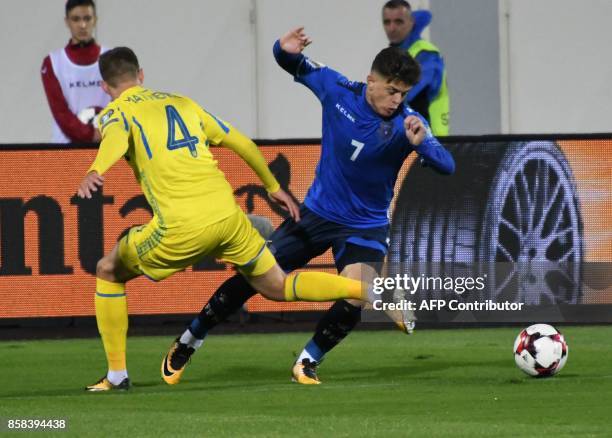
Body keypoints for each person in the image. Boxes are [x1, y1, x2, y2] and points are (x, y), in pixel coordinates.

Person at [79, 46, 388, 392]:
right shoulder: (184, 103)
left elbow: (115, 140)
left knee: (108, 269)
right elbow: (241, 142)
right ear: (142, 75)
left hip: (180, 228)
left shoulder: (115, 112)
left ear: (105, 87)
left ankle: (117, 376)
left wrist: (95, 169)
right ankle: (367, 290)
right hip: (229, 218)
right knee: (277, 286)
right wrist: (273, 186)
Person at [162, 27, 455, 386]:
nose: (396, 100)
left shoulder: (409, 123)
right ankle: (189, 340)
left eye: (403, 93)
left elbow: (447, 165)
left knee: (357, 294)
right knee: (255, 276)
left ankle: (307, 360)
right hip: (317, 214)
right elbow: (291, 61)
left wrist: (423, 144)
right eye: (391, 91)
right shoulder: (337, 89)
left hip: (366, 225)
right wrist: (281, 48)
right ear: (371, 81)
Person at [41, 0, 108, 143]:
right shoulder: (53, 62)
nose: (82, 25)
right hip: (66, 149)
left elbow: (121, 102)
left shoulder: (111, 58)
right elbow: (60, 111)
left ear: (95, 20)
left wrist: (107, 132)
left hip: (106, 146)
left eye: (87, 18)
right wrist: (91, 135)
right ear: (67, 21)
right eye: (76, 19)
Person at [382, 0, 449, 136]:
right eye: (387, 22)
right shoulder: (394, 54)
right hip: (407, 137)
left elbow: (407, 92)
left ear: (412, 22)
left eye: (398, 22)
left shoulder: (426, 54)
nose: (392, 28)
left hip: (430, 139)